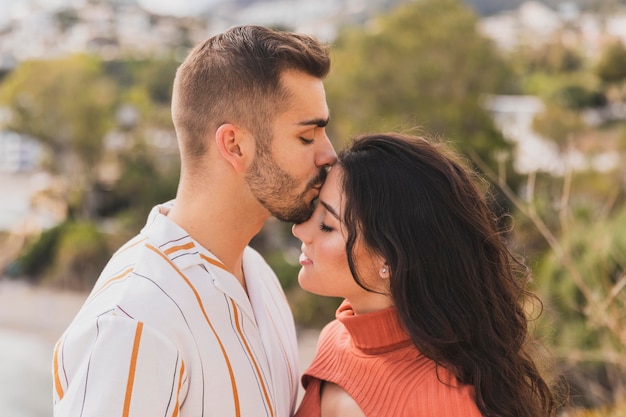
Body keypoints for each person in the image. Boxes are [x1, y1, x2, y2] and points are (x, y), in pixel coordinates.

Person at [52, 25, 336, 417]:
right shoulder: (135, 322)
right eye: (308, 137)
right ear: (234, 145)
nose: (329, 155)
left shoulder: (260, 278)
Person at [292, 133, 559, 417]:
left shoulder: (444, 403)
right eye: (313, 212)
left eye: (327, 226)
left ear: (390, 260)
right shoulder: (335, 339)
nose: (300, 230)